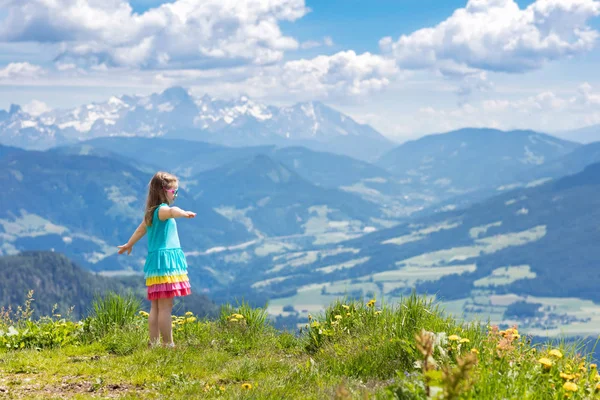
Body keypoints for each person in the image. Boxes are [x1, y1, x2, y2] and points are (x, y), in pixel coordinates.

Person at [117, 171, 196, 348]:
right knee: (166, 307)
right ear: (163, 191)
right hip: (165, 263)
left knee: (156, 307)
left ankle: (153, 343)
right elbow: (172, 211)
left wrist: (129, 244)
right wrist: (184, 213)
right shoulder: (162, 210)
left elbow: (140, 230)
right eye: (174, 192)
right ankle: (168, 344)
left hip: (155, 263)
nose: (175, 195)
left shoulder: (150, 213)